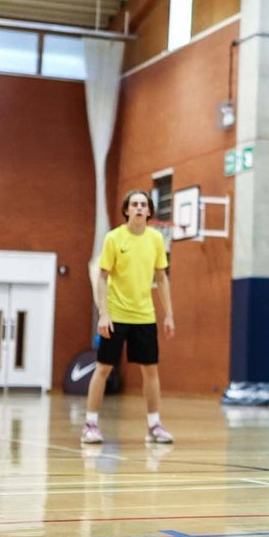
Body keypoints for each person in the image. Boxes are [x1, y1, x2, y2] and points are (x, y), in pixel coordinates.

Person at [84, 189, 176, 445]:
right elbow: (102, 277)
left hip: (144, 316)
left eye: (143, 204)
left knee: (150, 371)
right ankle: (90, 424)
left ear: (149, 211)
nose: (138, 208)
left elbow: (161, 278)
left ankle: (154, 426)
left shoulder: (156, 239)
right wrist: (103, 314)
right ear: (126, 210)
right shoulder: (114, 238)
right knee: (103, 368)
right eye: (134, 204)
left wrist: (168, 314)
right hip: (115, 315)